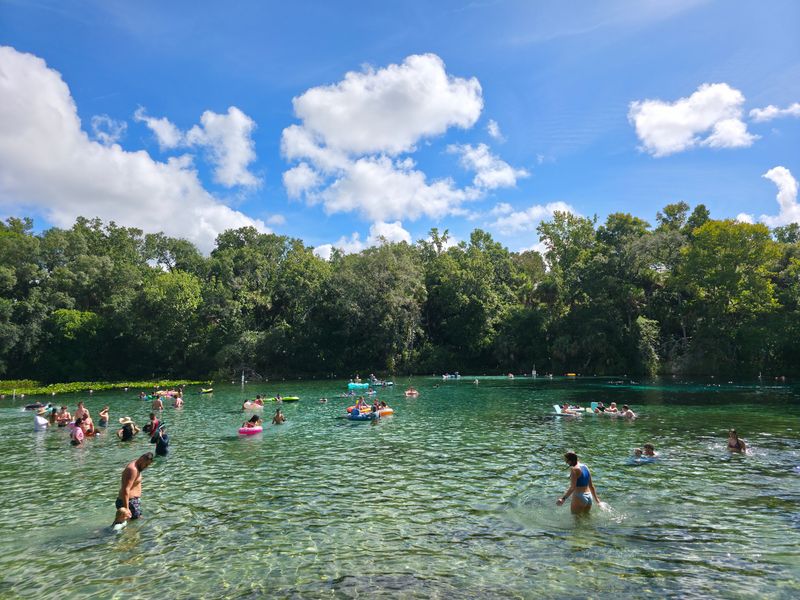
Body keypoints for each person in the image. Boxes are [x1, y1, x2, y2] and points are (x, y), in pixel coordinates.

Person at [113, 452, 154, 526]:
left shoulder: (137, 466)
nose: (146, 467)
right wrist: (127, 508)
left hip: (132, 502)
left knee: (132, 524)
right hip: (129, 502)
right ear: (141, 459)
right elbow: (126, 489)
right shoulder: (132, 470)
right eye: (146, 464)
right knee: (132, 526)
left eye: (148, 465)